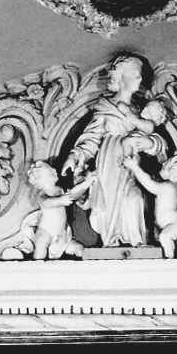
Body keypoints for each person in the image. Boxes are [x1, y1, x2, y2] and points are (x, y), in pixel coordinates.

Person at [64, 54, 157, 248]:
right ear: (121, 78)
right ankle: (111, 240)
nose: (140, 78)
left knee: (134, 197)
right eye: (135, 74)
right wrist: (75, 156)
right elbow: (92, 136)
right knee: (110, 200)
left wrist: (149, 143)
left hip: (132, 160)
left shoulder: (139, 110)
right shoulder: (105, 106)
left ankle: (137, 241)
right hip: (110, 159)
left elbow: (153, 138)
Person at [124, 153, 177, 259]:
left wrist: (135, 167)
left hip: (175, 224)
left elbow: (149, 183)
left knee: (165, 236)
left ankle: (169, 259)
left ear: (169, 169)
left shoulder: (167, 187)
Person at [23, 161, 92, 260]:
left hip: (62, 234)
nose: (54, 171)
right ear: (40, 178)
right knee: (41, 247)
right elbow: (45, 203)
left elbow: (72, 195)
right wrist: (60, 200)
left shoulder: (59, 189)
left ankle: (90, 263)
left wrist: (86, 184)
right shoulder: (42, 192)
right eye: (50, 171)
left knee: (78, 248)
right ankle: (38, 266)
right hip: (46, 232)